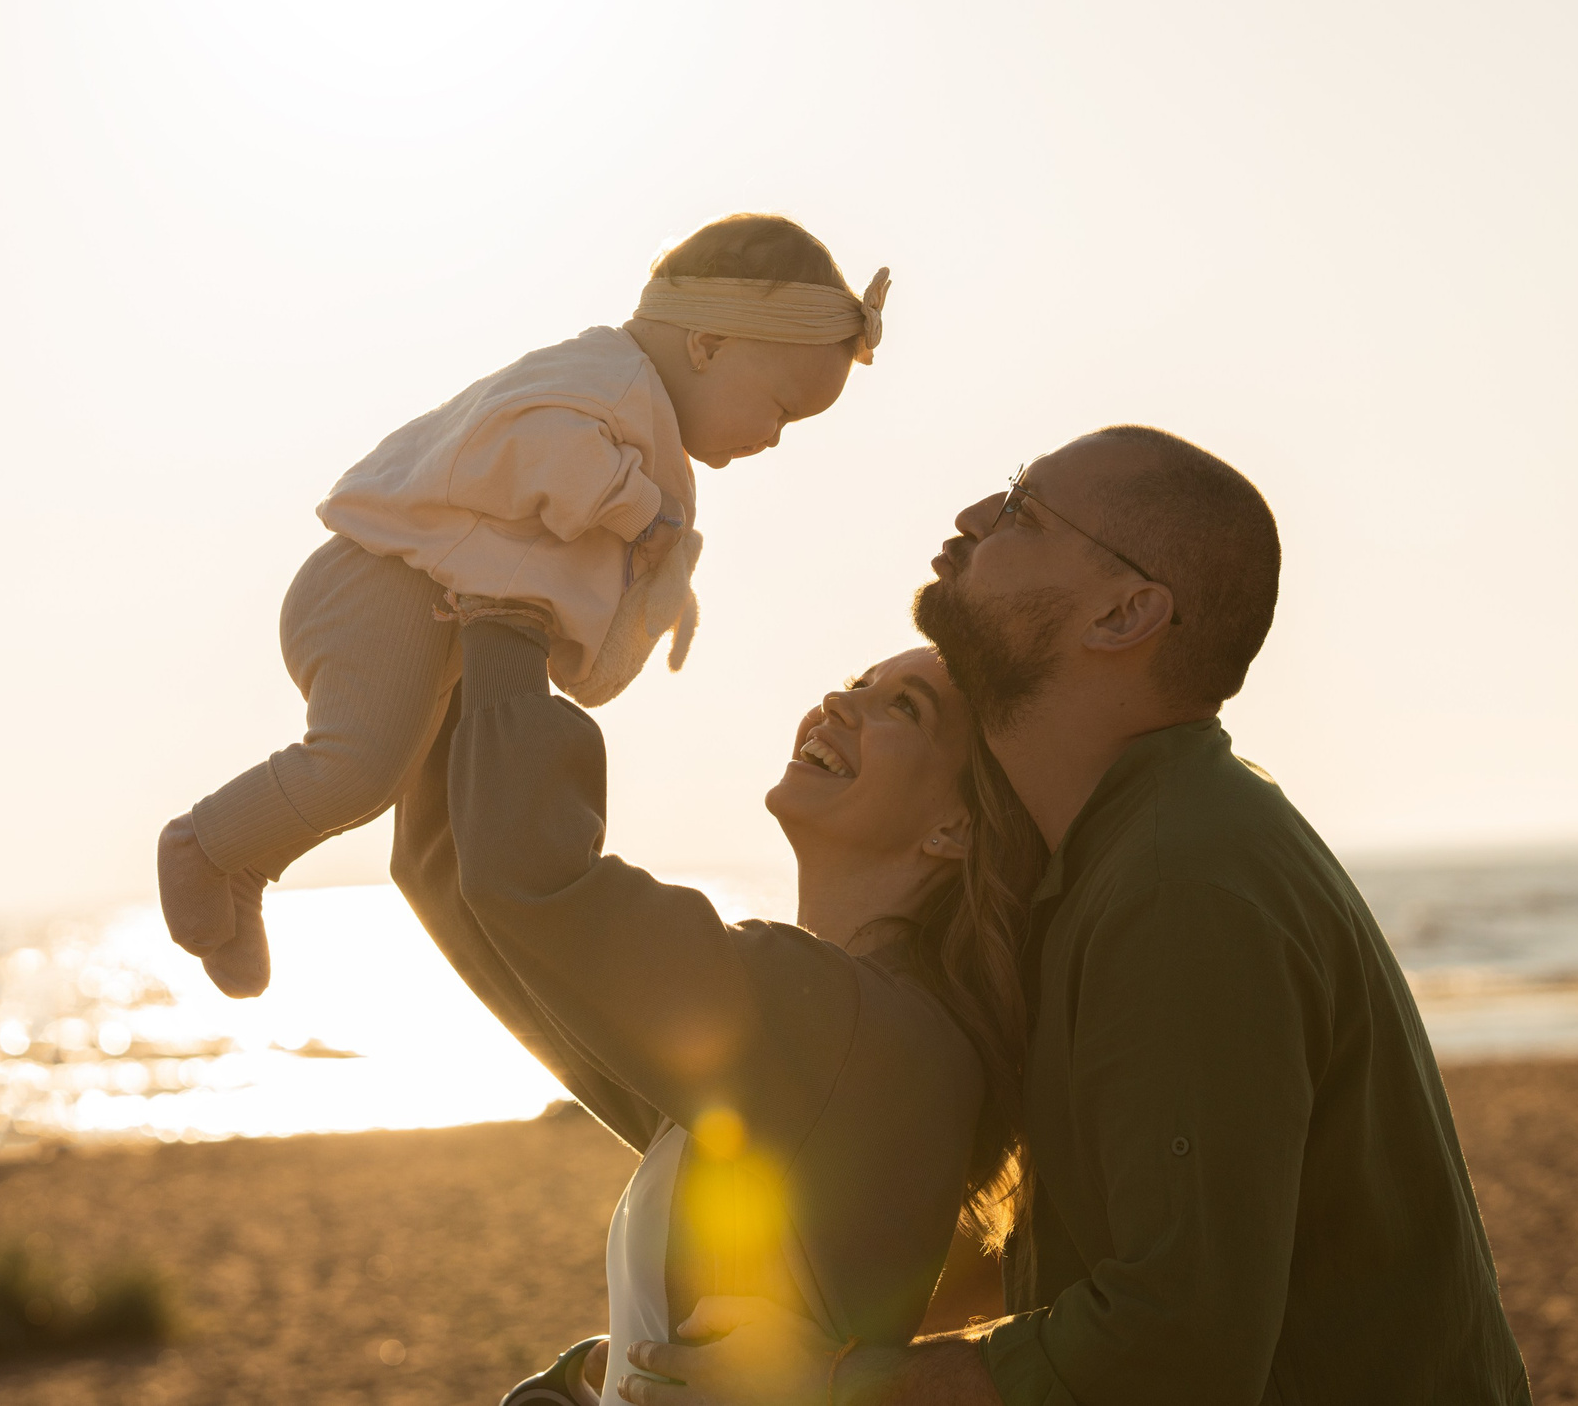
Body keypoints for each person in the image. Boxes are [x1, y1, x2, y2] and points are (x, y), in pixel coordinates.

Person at [623, 427, 1531, 1406]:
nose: (972, 519)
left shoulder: (1182, 885)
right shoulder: (1116, 859)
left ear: (1124, 614)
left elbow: (1177, 1343)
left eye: (1021, 510)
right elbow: (1089, 1247)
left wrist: (840, 1387)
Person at [159, 214, 893, 996]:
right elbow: (532, 443)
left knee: (398, 789)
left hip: (430, 608)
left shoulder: (646, 426)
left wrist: (659, 589)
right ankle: (203, 845)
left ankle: (249, 862)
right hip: (381, 582)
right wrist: (637, 510)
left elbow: (596, 556)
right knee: (358, 767)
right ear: (708, 345)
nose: (776, 438)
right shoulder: (604, 377)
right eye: (780, 409)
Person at [393, 611, 1046, 1406]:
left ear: (956, 826)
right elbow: (462, 878)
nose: (840, 704)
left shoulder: (856, 1029)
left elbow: (528, 877)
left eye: (903, 707)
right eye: (856, 683)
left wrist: (511, 608)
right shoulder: (824, 1047)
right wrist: (455, 647)